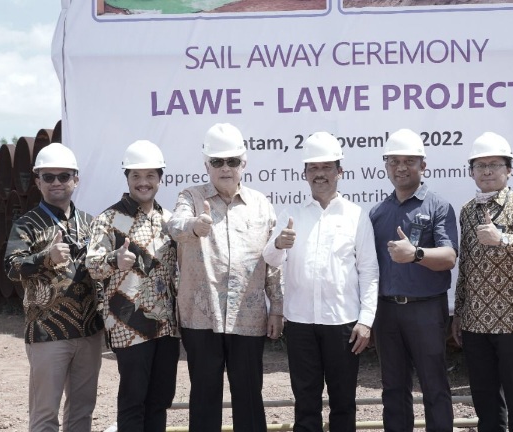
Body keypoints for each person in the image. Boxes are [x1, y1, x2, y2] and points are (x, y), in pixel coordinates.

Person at [168, 123, 284, 432]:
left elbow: (272, 261)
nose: (225, 168)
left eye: (232, 161)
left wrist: (277, 308)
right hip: (201, 318)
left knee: (249, 397)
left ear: (244, 163)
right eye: (217, 161)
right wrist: (195, 226)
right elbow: (175, 226)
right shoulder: (191, 197)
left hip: (248, 317)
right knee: (204, 399)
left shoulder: (261, 204)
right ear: (206, 164)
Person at [262, 132, 379, 431]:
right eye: (313, 167)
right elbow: (270, 259)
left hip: (343, 323)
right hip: (300, 323)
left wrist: (366, 320)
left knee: (343, 402)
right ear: (304, 173)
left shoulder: (356, 215)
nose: (319, 173)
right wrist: (279, 244)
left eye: (326, 167)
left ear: (340, 171)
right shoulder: (292, 215)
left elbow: (369, 271)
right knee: (305, 401)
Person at [450, 132, 513, 432]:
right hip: (475, 321)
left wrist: (502, 239)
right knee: (484, 398)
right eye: (480, 165)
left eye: (494, 164)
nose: (487, 171)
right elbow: (466, 265)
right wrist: (459, 312)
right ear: (471, 172)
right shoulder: (468, 210)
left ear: (509, 169)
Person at [4, 142, 104, 432]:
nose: (56, 182)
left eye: (63, 176)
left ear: (76, 179)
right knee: (45, 414)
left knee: (82, 412)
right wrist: (46, 258)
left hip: (89, 331)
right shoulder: (26, 225)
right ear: (38, 181)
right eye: (48, 176)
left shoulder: (92, 223)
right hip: (47, 332)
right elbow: (11, 267)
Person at [86, 140, 179, 431]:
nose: (143, 182)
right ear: (126, 178)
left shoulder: (169, 220)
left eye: (150, 175)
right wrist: (115, 260)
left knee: (160, 400)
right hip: (128, 326)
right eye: (136, 176)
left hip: (166, 327)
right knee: (133, 401)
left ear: (160, 178)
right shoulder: (107, 220)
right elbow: (92, 267)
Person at [369, 128, 458, 431]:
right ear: (386, 166)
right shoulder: (378, 212)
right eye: (394, 161)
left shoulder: (438, 206)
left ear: (423, 165)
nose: (401, 167)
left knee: (434, 386)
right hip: (387, 311)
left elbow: (449, 257)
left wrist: (416, 254)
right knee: (393, 387)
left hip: (426, 310)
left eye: (409, 161)